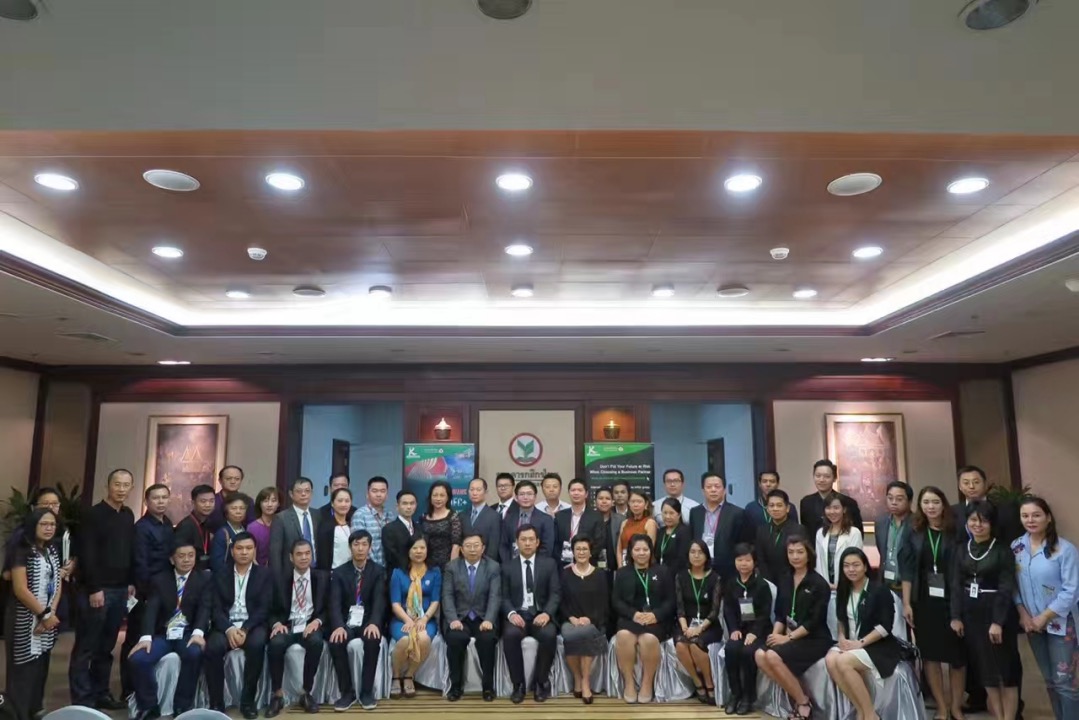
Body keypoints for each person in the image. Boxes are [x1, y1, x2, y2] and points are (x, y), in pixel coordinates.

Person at [69, 468, 135, 710]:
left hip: (120, 590)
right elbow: (87, 553)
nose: (121, 489)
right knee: (86, 646)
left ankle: (101, 693)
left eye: (126, 485)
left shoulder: (127, 515)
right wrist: (94, 588)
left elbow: (128, 550)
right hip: (97, 590)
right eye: (117, 484)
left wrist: (130, 582)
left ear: (131, 488)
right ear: (107, 486)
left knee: (106, 646)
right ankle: (82, 699)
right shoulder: (92, 514)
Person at [899, 485, 966, 720]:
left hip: (953, 599)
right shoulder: (914, 530)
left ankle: (956, 706)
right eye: (926, 502)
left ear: (943, 504)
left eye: (935, 502)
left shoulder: (955, 530)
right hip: (924, 600)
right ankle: (941, 706)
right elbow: (907, 570)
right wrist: (907, 603)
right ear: (920, 505)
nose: (931, 507)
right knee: (930, 655)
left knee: (957, 657)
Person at [951, 501, 1021, 720]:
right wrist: (955, 616)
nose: (978, 525)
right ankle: (998, 716)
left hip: (998, 613)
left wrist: (998, 622)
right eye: (973, 520)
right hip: (972, 615)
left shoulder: (1002, 550)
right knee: (986, 671)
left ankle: (1009, 717)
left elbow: (1006, 587)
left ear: (992, 524)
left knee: (1006, 672)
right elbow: (955, 585)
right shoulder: (961, 549)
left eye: (983, 521)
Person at [127, 539, 211, 720]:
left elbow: (205, 608)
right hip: (164, 634)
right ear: (172, 559)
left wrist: (198, 633)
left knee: (194, 653)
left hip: (187, 633)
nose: (186, 560)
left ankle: (183, 706)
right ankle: (149, 706)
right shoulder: (160, 580)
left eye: (190, 556)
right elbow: (151, 609)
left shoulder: (203, 579)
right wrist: (146, 637)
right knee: (138, 659)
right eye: (181, 556)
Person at [1013, 496, 1079, 720]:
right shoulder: (1016, 547)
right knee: (1050, 681)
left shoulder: (1065, 549)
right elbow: (1013, 586)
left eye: (1036, 515)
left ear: (1048, 518)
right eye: (1025, 516)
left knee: (1065, 682)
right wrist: (1023, 613)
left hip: (1061, 624)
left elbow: (1072, 590)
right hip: (1032, 624)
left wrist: (1044, 617)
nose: (1030, 520)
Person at [754, 535, 832, 720]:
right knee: (760, 655)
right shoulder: (785, 579)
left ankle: (803, 703)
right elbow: (781, 614)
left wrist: (787, 638)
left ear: (808, 554)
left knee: (773, 656)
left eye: (800, 552)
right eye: (791, 552)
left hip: (814, 638)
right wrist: (775, 636)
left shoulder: (819, 584)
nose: (795, 556)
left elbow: (814, 622)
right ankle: (800, 696)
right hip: (789, 635)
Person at [825, 547, 904, 720]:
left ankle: (870, 715)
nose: (851, 570)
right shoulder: (844, 589)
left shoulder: (879, 590)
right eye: (846, 566)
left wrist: (859, 643)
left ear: (865, 567)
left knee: (843, 661)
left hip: (877, 645)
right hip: (852, 642)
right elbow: (841, 619)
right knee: (830, 660)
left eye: (856, 565)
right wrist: (841, 637)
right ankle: (860, 709)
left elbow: (885, 627)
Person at [204, 532, 272, 718]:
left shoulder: (265, 574)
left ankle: (248, 701)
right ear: (232, 551)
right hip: (226, 625)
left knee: (257, 644)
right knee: (213, 647)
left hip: (252, 625)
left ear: (255, 550)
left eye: (249, 548)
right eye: (239, 548)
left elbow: (264, 608)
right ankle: (216, 703)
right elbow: (215, 608)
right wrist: (229, 629)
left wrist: (245, 628)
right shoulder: (220, 573)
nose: (244, 552)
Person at [6, 509, 63, 720]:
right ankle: (17, 714)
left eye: (52, 524)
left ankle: (34, 710)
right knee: (23, 670)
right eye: (43, 524)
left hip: (46, 617)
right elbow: (20, 589)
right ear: (33, 525)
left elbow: (57, 584)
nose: (49, 528)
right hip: (23, 618)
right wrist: (44, 615)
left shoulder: (52, 549)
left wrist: (51, 613)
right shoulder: (21, 549)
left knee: (40, 668)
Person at [265, 538, 327, 717]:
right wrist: (276, 624)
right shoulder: (279, 578)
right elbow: (269, 608)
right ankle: (277, 695)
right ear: (291, 557)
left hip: (310, 624)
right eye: (299, 554)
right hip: (288, 625)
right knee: (275, 643)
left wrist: (317, 621)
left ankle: (306, 692)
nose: (304, 557)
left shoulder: (321, 578)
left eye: (307, 553)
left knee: (316, 642)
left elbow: (328, 608)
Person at [125, 483, 175, 698]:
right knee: (137, 638)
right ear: (147, 501)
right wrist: (145, 593)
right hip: (147, 592)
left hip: (164, 589)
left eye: (164, 497)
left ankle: (152, 685)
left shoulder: (167, 523)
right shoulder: (142, 527)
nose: (161, 501)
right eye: (156, 498)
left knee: (155, 637)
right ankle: (129, 689)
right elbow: (140, 563)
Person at [328, 529, 387, 711]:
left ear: (370, 547)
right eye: (356, 544)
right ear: (350, 547)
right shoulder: (339, 572)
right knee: (336, 641)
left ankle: (366, 692)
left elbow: (380, 601)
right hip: (347, 622)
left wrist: (374, 623)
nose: (360, 548)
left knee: (372, 639)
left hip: (367, 621)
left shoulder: (378, 571)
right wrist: (338, 626)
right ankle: (347, 692)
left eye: (364, 544)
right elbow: (334, 603)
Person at [501, 524, 561, 703]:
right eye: (523, 540)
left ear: (537, 542)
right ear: (517, 543)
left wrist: (547, 613)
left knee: (549, 634)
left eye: (531, 540)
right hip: (518, 615)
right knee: (510, 635)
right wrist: (511, 614)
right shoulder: (507, 566)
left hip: (540, 615)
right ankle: (518, 684)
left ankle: (541, 682)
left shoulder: (549, 564)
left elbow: (555, 593)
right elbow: (503, 596)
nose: (527, 543)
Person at [612, 534, 675, 704]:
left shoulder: (662, 571)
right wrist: (633, 614)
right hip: (631, 618)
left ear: (651, 551)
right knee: (623, 636)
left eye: (645, 549)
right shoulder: (622, 573)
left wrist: (656, 615)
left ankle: (647, 683)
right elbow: (616, 601)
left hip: (656, 620)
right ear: (630, 552)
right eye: (637, 549)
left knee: (648, 639)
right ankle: (629, 683)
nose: (641, 553)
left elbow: (671, 600)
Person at [442, 532, 501, 702]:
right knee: (455, 639)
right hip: (460, 618)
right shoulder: (452, 567)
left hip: (483, 617)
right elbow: (447, 596)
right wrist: (453, 619)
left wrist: (489, 619)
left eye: (476, 546)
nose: (472, 549)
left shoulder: (493, 567)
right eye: (468, 546)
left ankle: (488, 687)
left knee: (487, 639)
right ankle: (456, 686)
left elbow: (495, 596)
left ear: (483, 548)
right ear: (461, 549)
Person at [722, 543, 773, 716]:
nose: (743, 564)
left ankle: (748, 697)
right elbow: (728, 609)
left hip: (759, 631)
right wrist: (733, 629)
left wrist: (754, 632)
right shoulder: (731, 583)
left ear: (754, 562)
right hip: (739, 630)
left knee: (747, 652)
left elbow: (765, 613)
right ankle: (735, 693)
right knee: (731, 649)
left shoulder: (761, 585)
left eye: (747, 560)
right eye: (739, 560)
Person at [389, 535, 441, 699]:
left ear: (427, 550)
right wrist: (408, 620)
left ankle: (409, 675)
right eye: (415, 548)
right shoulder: (398, 573)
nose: (419, 551)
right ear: (408, 551)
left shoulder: (435, 572)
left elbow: (435, 600)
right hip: (402, 618)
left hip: (426, 619)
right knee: (405, 640)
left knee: (424, 639)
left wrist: (424, 619)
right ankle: (396, 676)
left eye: (422, 548)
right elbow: (395, 603)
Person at [559, 536, 608, 704]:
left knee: (586, 634)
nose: (581, 552)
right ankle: (577, 677)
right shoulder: (565, 574)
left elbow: (604, 602)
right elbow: (561, 602)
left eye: (584, 549)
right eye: (578, 549)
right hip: (570, 621)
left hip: (593, 621)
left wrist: (590, 619)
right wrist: (572, 618)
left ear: (590, 552)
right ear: (573, 552)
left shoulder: (600, 574)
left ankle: (585, 681)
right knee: (570, 635)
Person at [673, 540, 722, 704]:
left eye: (700, 552)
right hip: (686, 623)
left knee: (695, 644)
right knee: (681, 644)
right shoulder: (681, 576)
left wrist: (699, 628)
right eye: (693, 552)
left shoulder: (715, 578)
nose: (696, 555)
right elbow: (680, 607)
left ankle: (709, 683)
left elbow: (715, 611)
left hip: (709, 625)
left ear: (706, 556)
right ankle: (697, 682)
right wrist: (685, 627)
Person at [815, 491, 864, 639]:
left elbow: (855, 562)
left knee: (848, 627)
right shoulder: (820, 533)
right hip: (826, 589)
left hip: (846, 587)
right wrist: (824, 584)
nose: (832, 512)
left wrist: (841, 584)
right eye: (828, 508)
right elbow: (819, 562)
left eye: (836, 508)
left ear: (844, 509)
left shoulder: (853, 533)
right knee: (829, 629)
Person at [689, 471, 748, 580]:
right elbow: (692, 538)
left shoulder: (737, 513)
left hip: (727, 568)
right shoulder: (695, 512)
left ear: (724, 490)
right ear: (703, 491)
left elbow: (742, 543)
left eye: (717, 486)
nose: (713, 490)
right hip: (700, 566)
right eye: (709, 487)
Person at [875, 481, 913, 639]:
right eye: (890, 498)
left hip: (909, 587)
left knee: (911, 633)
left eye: (899, 499)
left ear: (909, 501)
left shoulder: (917, 523)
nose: (894, 502)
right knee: (889, 631)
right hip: (886, 585)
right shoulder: (881, 523)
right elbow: (882, 552)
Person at [270, 477, 320, 581]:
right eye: (299, 491)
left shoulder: (318, 515)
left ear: (312, 493)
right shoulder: (281, 518)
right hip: (290, 575)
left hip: (315, 573)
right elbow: (275, 553)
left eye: (307, 491)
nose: (303, 494)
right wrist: (278, 579)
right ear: (291, 494)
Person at [798, 459, 864, 539]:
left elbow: (858, 534)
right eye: (818, 476)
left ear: (834, 478)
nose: (821, 480)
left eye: (827, 476)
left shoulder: (849, 503)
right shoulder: (806, 502)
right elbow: (805, 533)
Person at [754, 489, 804, 583]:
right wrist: (768, 580)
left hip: (792, 579)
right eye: (771, 505)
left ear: (787, 508)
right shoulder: (762, 530)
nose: (775, 509)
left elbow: (801, 558)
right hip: (768, 581)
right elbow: (761, 559)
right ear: (767, 509)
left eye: (779, 505)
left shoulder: (798, 530)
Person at [500, 480, 556, 563]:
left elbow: (547, 547)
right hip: (512, 564)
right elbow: (503, 545)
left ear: (535, 496)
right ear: (516, 497)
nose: (525, 497)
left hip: (537, 565)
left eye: (529, 494)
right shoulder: (508, 518)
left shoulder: (546, 519)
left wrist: (533, 564)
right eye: (522, 494)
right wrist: (509, 564)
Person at [554, 478, 604, 566]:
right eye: (573, 490)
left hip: (587, 564)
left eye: (580, 490)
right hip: (563, 565)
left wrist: (582, 559)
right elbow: (555, 543)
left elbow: (599, 543)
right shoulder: (560, 516)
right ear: (569, 493)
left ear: (586, 494)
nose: (576, 493)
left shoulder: (596, 516)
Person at [351, 476, 397, 567]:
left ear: (387, 495)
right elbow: (359, 545)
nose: (379, 494)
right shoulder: (360, 515)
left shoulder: (390, 515)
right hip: (368, 568)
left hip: (388, 567)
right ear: (367, 494)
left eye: (382, 491)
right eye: (374, 491)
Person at [173, 484, 216, 572]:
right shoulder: (185, 526)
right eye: (203, 501)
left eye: (211, 501)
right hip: (191, 573)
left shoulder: (208, 523)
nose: (208, 505)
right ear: (193, 503)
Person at [422, 480, 463, 568]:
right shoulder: (424, 517)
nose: (438, 499)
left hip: (447, 565)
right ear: (430, 497)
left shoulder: (453, 517)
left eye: (442, 495)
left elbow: (456, 545)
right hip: (427, 565)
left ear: (448, 497)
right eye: (435, 495)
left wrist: (452, 568)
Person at [209, 492, 252, 575]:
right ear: (226, 511)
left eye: (242, 508)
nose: (238, 512)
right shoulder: (222, 534)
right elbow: (217, 564)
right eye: (234, 508)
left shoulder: (247, 531)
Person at [462, 477, 502, 561]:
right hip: (464, 563)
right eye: (472, 490)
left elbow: (493, 547)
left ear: (485, 492)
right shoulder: (462, 515)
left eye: (478, 490)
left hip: (486, 564)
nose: (474, 493)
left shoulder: (494, 516)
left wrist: (487, 565)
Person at [316, 486, 355, 571]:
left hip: (351, 573)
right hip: (333, 573)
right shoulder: (326, 527)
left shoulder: (353, 525)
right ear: (332, 503)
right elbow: (323, 558)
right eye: (340, 501)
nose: (343, 504)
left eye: (347, 501)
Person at [382, 489, 421, 574]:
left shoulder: (420, 528)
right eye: (405, 503)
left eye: (412, 503)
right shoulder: (389, 529)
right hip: (397, 574)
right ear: (397, 506)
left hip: (418, 574)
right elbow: (392, 556)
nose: (409, 507)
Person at [616, 490, 658, 569]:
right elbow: (619, 548)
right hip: (624, 565)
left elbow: (649, 549)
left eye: (639, 502)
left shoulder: (650, 523)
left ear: (646, 504)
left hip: (642, 565)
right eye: (633, 502)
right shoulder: (624, 523)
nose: (636, 505)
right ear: (629, 504)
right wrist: (620, 567)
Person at [207, 465, 255, 532]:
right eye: (228, 478)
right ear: (220, 480)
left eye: (237, 479)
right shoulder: (211, 500)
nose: (233, 482)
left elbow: (251, 525)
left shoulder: (248, 501)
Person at [247, 486, 281, 566]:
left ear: (278, 504)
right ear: (260, 504)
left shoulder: (282, 524)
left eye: (273, 501)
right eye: (265, 501)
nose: (269, 504)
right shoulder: (253, 528)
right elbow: (251, 558)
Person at [656, 497, 692, 574]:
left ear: (679, 514)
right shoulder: (660, 532)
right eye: (665, 513)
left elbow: (682, 559)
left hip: (677, 575)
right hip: (660, 574)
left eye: (671, 513)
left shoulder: (684, 531)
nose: (667, 516)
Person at [594, 485, 618, 572]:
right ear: (595, 502)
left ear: (612, 502)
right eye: (601, 498)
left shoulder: (621, 520)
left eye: (607, 499)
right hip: (593, 568)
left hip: (615, 568)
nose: (604, 501)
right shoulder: (588, 519)